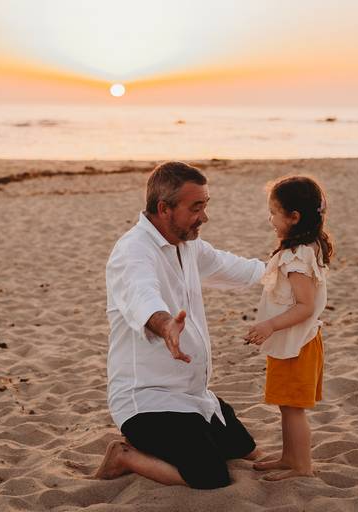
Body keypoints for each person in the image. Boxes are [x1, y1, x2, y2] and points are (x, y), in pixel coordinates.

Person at [95, 161, 266, 489]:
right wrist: (166, 326)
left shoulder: (188, 244)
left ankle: (194, 431)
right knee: (211, 477)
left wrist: (286, 269)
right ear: (164, 208)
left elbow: (236, 268)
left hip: (194, 396)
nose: (204, 216)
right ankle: (124, 456)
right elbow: (142, 296)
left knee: (248, 453)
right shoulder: (132, 253)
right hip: (148, 402)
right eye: (196, 207)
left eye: (205, 205)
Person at [243, 175, 334, 481]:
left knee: (293, 408)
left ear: (294, 217)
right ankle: (289, 457)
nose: (270, 219)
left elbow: (305, 305)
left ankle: (301, 465)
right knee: (286, 404)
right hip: (295, 341)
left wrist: (270, 324)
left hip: (297, 342)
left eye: (274, 212)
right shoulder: (307, 246)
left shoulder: (297, 256)